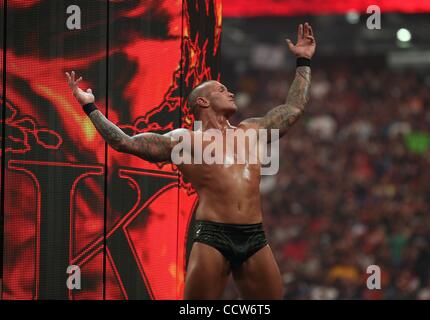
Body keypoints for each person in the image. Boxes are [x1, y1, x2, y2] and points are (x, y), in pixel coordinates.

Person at [66, 22, 316, 299]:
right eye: (221, 90)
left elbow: (293, 108)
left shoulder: (251, 131)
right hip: (213, 236)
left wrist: (303, 60)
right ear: (203, 103)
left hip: (254, 235)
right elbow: (123, 141)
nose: (230, 92)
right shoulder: (187, 141)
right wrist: (89, 106)